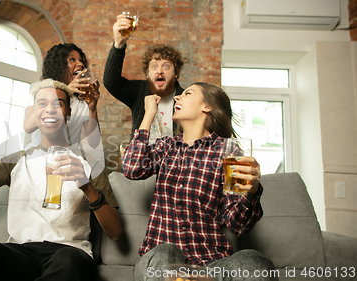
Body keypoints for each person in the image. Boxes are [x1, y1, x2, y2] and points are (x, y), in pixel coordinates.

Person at [0, 79, 123, 281]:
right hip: (20, 253)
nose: (50, 109)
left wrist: (87, 188)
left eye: (58, 104)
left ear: (68, 113)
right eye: (42, 104)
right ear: (34, 113)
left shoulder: (88, 163)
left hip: (68, 252)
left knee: (69, 259)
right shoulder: (16, 161)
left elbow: (115, 232)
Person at [122, 83, 277, 281]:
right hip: (163, 263)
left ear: (207, 107)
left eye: (187, 93)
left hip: (210, 264)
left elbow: (237, 226)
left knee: (253, 262)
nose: (177, 97)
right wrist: (149, 114)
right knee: (165, 253)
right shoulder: (166, 147)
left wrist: (252, 192)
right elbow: (132, 168)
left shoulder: (227, 152)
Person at [103, 13, 185, 142]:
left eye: (166, 66)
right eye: (154, 67)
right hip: (141, 159)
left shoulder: (185, 98)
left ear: (176, 73)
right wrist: (119, 44)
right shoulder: (139, 92)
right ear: (147, 74)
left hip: (172, 160)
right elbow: (111, 82)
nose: (159, 71)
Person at [24, 43, 101, 150]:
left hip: (66, 161)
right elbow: (28, 127)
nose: (80, 64)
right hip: (37, 158)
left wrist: (92, 109)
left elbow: (94, 142)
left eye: (81, 61)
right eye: (72, 60)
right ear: (58, 66)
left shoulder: (83, 101)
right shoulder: (41, 89)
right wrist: (65, 92)